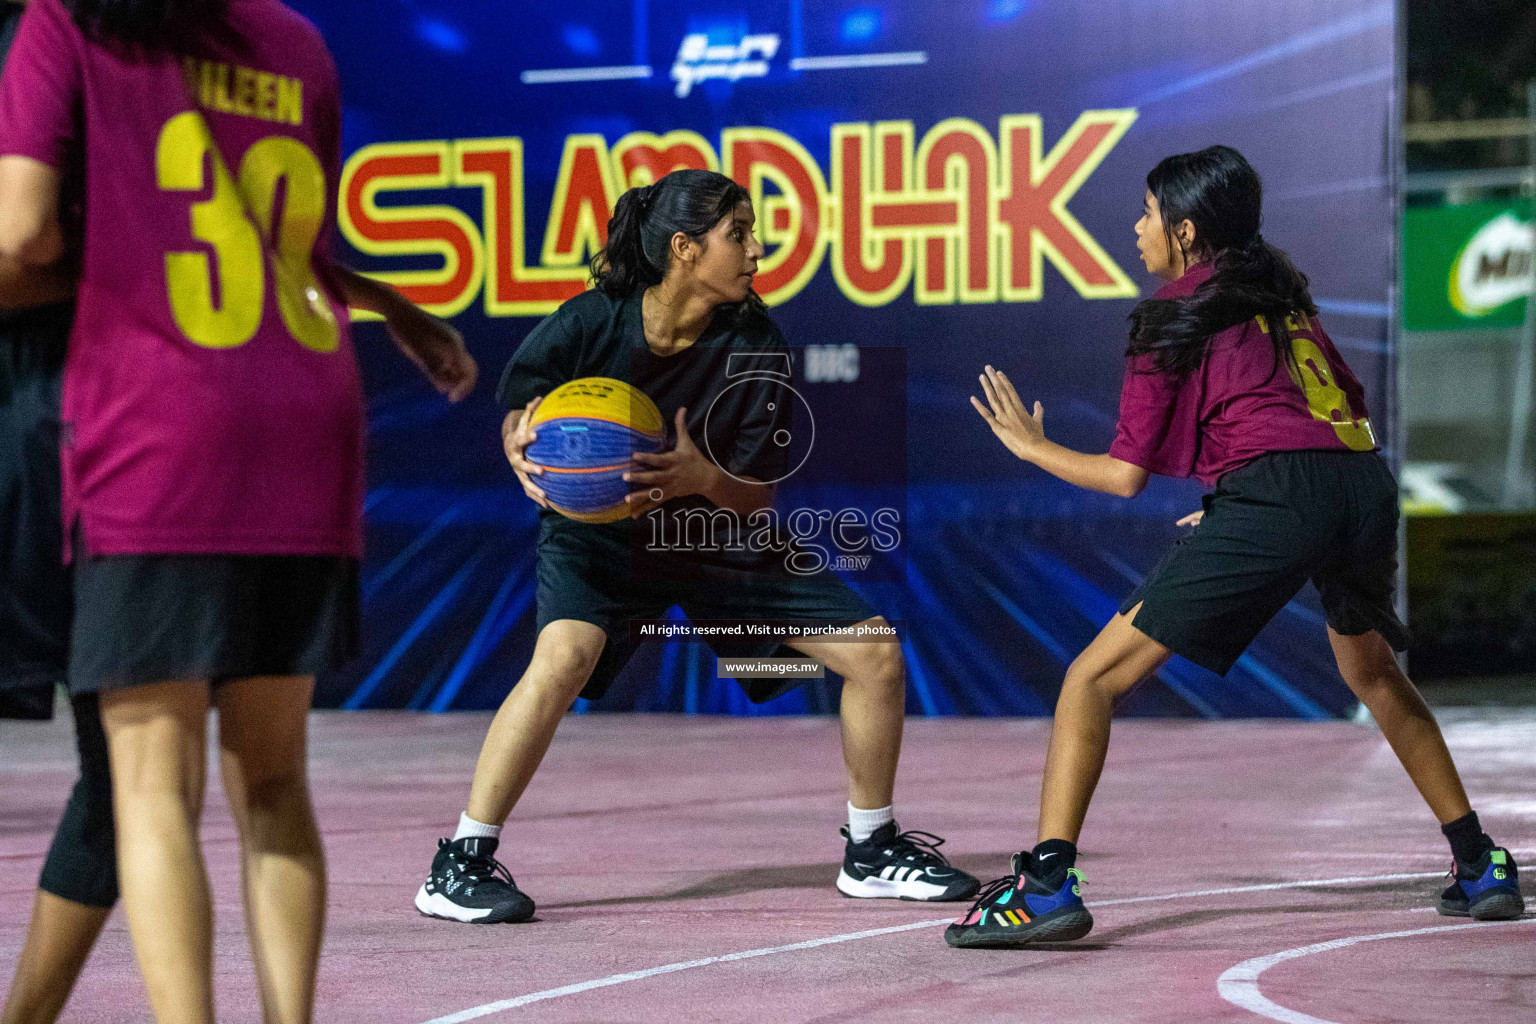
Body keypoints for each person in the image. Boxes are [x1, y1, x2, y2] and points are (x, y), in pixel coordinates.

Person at [0, 1, 474, 1021]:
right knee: (273, 782)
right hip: (304, 415)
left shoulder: (71, 21)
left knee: (149, 787)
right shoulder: (294, 39)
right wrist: (392, 303)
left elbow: (23, 228)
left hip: (160, 419)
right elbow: (269, 235)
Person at [946, 145, 1524, 949]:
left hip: (1280, 498)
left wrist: (1031, 447)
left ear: (1184, 233)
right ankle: (1481, 864)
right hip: (1359, 485)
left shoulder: (1170, 314)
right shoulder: (1286, 302)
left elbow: (1123, 478)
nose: (1136, 226)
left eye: (1148, 213)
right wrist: (1239, 505)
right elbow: (1326, 416)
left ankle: (1044, 888)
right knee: (1373, 672)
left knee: (1089, 679)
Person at [413, 168, 980, 925]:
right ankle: (459, 864)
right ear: (684, 248)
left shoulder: (754, 342)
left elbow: (756, 496)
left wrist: (699, 474)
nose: (757, 251)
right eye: (739, 235)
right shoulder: (592, 320)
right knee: (562, 659)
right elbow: (522, 402)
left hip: (713, 534)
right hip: (597, 537)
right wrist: (521, 442)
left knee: (873, 652)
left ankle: (871, 851)